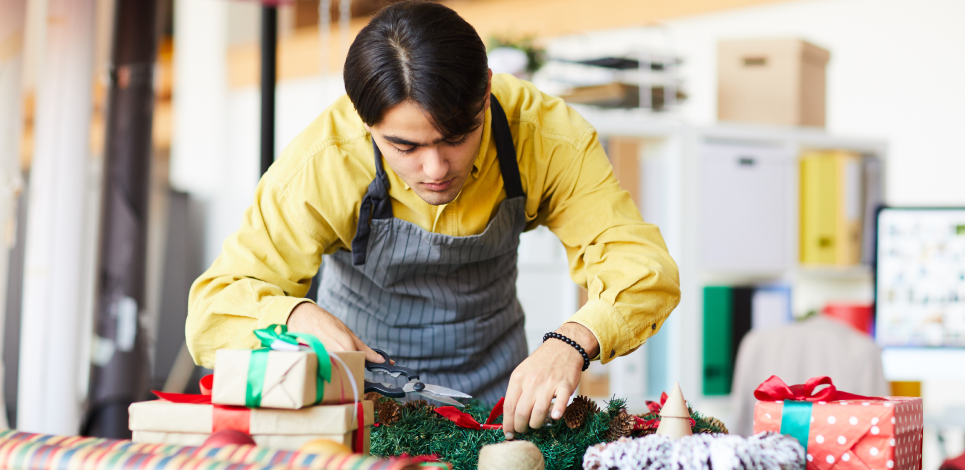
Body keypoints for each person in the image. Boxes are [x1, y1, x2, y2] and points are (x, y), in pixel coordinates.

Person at [186, 0, 680, 440]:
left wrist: (571, 342)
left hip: (500, 403)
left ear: (486, 91)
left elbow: (642, 267)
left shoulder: (547, 136)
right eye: (405, 147)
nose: (436, 169)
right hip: (358, 405)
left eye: (457, 137)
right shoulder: (323, 162)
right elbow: (213, 309)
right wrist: (295, 316)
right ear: (364, 121)